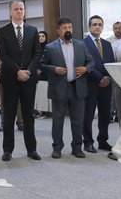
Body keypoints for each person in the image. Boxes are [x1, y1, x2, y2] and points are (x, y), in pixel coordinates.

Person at [40, 18, 94, 159]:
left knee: (78, 120)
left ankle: (77, 148)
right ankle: (57, 148)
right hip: (59, 88)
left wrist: (86, 69)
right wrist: (54, 69)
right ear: (58, 30)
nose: (68, 30)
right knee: (58, 120)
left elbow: (91, 61)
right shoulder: (50, 47)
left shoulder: (80, 45)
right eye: (64, 28)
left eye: (70, 27)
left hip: (78, 87)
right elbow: (42, 64)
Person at [0, 0, 42, 161]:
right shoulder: (3, 31)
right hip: (10, 79)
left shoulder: (33, 30)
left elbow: (37, 53)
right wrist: (18, 71)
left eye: (21, 9)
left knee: (28, 115)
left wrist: (28, 71)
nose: (19, 11)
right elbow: (3, 55)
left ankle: (32, 149)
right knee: (9, 115)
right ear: (10, 12)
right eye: (16, 9)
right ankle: (7, 150)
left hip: (29, 78)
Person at [83, 16, 115, 152]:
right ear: (89, 27)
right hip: (90, 84)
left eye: (100, 24)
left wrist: (107, 78)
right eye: (94, 24)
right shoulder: (82, 43)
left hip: (106, 85)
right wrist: (99, 78)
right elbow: (84, 64)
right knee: (88, 115)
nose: (97, 27)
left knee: (105, 115)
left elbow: (112, 63)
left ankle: (103, 140)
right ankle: (88, 142)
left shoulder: (107, 44)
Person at [33, 31, 50, 119]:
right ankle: (36, 111)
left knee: (42, 93)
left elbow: (49, 61)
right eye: (39, 36)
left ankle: (42, 111)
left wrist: (41, 69)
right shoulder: (34, 48)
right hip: (34, 73)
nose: (41, 38)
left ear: (46, 38)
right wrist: (35, 69)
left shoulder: (48, 48)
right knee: (36, 93)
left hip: (44, 74)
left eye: (43, 36)